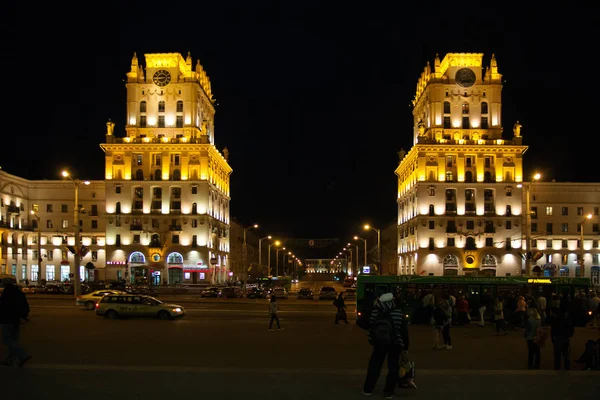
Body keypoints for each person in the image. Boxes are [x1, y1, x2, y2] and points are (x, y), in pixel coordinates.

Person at [362, 293, 409, 399]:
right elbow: (404, 332)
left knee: (374, 366)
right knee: (393, 368)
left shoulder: (375, 312)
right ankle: (388, 391)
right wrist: (405, 348)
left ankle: (367, 389)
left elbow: (367, 325)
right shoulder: (398, 313)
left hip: (379, 343)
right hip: (395, 343)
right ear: (392, 301)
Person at [0, 281, 31, 367]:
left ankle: (22, 355)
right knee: (13, 340)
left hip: (7, 320)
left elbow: (2, 307)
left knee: (6, 339)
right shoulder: (20, 294)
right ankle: (10, 359)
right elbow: (26, 307)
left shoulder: (6, 294)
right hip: (17, 321)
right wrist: (23, 317)